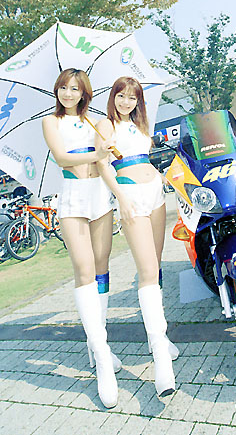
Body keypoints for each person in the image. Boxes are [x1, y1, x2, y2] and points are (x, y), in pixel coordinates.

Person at [96, 76, 177, 397]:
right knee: (146, 272)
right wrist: (121, 197)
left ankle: (161, 339)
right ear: (113, 97)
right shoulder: (105, 125)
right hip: (130, 195)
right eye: (121, 96)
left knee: (156, 267)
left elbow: (146, 159)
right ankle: (161, 361)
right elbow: (103, 165)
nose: (126, 102)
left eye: (132, 97)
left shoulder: (139, 126)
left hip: (156, 193)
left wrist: (161, 177)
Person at [42, 68, 118, 408]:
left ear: (84, 93)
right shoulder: (51, 122)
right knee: (84, 270)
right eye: (63, 88)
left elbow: (107, 156)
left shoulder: (94, 121)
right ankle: (102, 358)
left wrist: (108, 150)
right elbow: (61, 157)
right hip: (72, 198)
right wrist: (97, 155)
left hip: (100, 195)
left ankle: (96, 342)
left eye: (75, 89)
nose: (68, 94)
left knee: (102, 267)